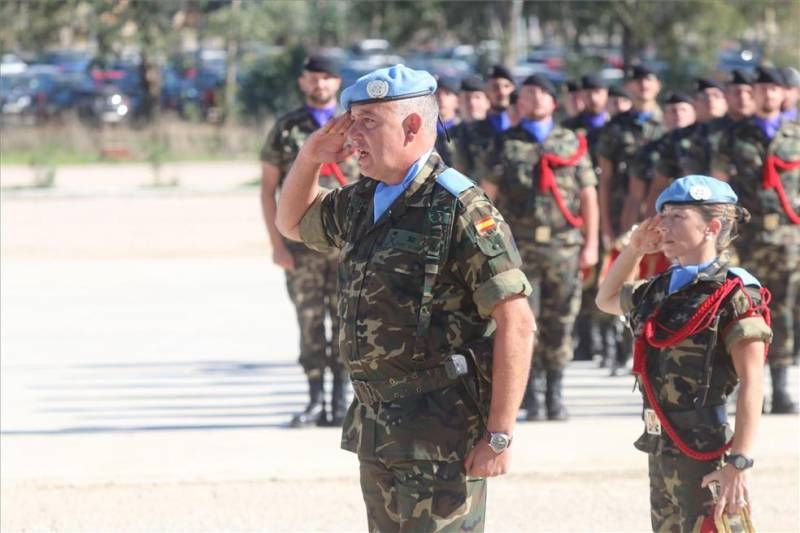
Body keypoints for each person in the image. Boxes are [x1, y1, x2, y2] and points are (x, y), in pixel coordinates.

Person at [275, 64, 535, 531]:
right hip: (377, 425)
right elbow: (292, 223)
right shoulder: (362, 198)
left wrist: (499, 436)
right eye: (351, 121)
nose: (353, 135)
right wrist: (310, 158)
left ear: (413, 126)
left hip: (441, 430)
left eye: (369, 122)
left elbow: (517, 321)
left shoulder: (459, 206)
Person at [596, 175, 772, 532]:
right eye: (664, 216)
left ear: (712, 227)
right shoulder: (658, 289)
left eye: (678, 217)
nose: (665, 225)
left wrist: (739, 461)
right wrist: (634, 250)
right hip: (661, 444)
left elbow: (753, 382)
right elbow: (606, 299)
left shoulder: (735, 292)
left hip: (706, 447)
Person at [481, 74, 599, 421]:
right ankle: (529, 394)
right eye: (526, 95)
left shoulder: (572, 142)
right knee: (521, 323)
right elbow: (487, 197)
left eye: (539, 94)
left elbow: (588, 195)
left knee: (561, 320)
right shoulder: (504, 143)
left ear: (553, 102)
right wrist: (489, 248)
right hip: (518, 250)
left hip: (564, 245)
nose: (532, 100)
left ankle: (555, 392)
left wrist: (592, 244)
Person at [259, 55, 358, 428]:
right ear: (302, 82)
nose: (320, 85)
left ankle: (341, 401)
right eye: (314, 78)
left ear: (338, 83)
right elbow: (269, 190)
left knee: (347, 323)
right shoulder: (287, 129)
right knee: (310, 323)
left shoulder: (355, 126)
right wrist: (277, 244)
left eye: (328, 78)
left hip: (346, 246)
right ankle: (315, 399)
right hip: (302, 246)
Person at [712, 66, 800, 414]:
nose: (766, 94)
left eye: (772, 89)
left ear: (783, 94)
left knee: (784, 310)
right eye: (760, 88)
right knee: (743, 310)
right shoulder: (734, 136)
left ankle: (780, 388)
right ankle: (750, 386)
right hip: (744, 240)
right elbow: (718, 189)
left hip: (787, 237)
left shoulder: (796, 135)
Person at [434, 77, 461, 166]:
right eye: (438, 94)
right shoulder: (424, 130)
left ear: (457, 100)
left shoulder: (464, 130)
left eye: (447, 94)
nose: (441, 98)